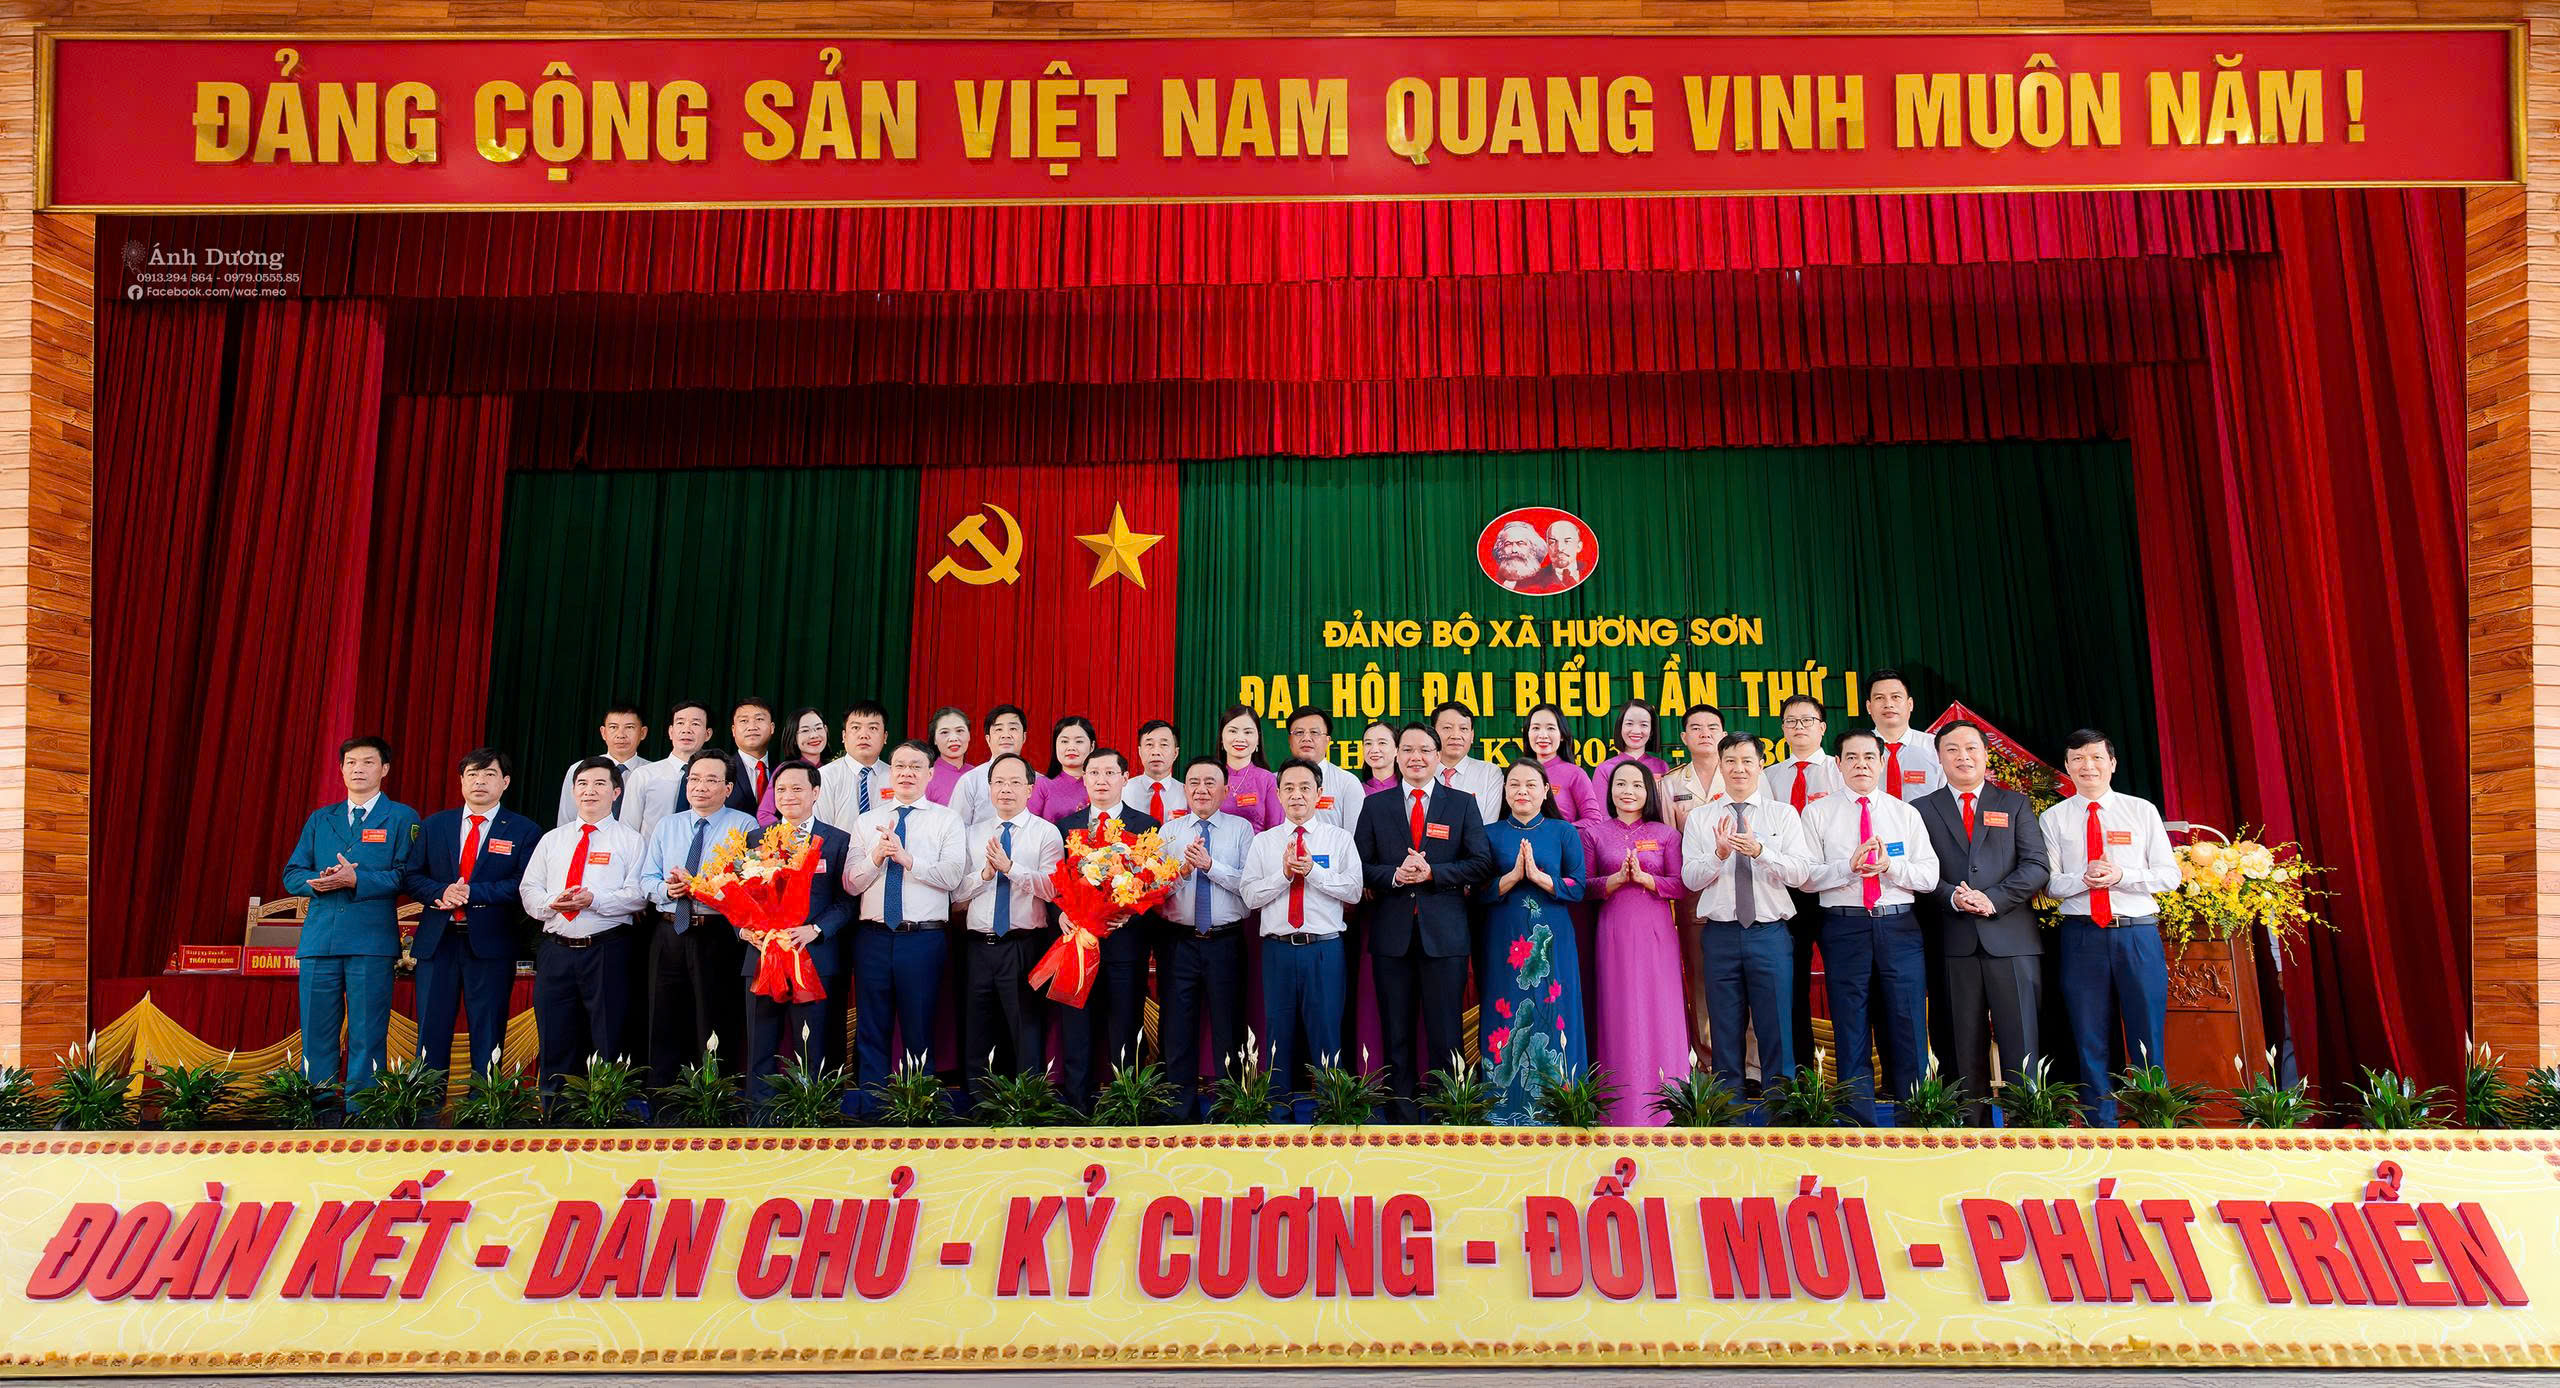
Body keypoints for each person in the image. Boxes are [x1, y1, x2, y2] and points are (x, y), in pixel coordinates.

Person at [1800, 730, 1942, 1123]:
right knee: (1851, 1023)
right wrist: (1848, 867)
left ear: (1881, 762)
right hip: (1844, 927)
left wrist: (1890, 867)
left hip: (1899, 926)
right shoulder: (1817, 813)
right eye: (1851, 757)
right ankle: (1856, 1121)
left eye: (1868, 757)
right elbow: (1806, 878)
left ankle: (1916, 1119)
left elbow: (1929, 876)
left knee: (1907, 1021)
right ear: (1838, 764)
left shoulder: (1904, 813)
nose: (1861, 764)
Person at [2039, 728, 2178, 1127]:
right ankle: (2100, 1123)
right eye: (2078, 759)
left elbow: (2169, 875)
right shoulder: (2053, 818)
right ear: (2067, 767)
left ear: (2112, 764)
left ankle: (2154, 1120)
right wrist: (2083, 879)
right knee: (2089, 1034)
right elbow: (2050, 884)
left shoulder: (2141, 810)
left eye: (2097, 757)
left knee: (2147, 1032)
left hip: (2136, 933)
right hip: (2081, 935)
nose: (2088, 766)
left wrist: (2122, 876)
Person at [1914, 720, 2051, 1124]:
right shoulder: (1921, 809)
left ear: (1986, 754)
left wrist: (1993, 899)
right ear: (1939, 758)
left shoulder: (2014, 804)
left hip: (2011, 940)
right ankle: (1968, 1135)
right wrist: (1951, 896)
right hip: (1952, 941)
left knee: (2022, 1044)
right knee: (1960, 1047)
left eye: (1971, 748)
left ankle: (2028, 1131)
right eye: (1952, 750)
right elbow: (1917, 873)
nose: (1963, 757)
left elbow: (2036, 866)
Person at [1355, 723, 1492, 1121]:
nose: (1416, 758)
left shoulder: (1461, 804)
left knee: (1445, 1032)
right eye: (1408, 750)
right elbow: (1360, 866)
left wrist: (1435, 873)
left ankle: (1448, 1115)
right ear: (1397, 756)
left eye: (1425, 751)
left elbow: (1481, 862)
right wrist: (1395, 876)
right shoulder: (1376, 806)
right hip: (1392, 936)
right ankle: (1401, 1119)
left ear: (1437, 756)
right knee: (1396, 1033)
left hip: (1444, 937)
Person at [281, 735, 420, 1092]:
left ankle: (363, 1109)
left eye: (368, 762)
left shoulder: (402, 817)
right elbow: (292, 874)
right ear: (341, 770)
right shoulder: (320, 818)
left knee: (368, 1033)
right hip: (319, 941)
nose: (358, 769)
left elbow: (407, 875)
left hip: (371, 942)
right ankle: (317, 1106)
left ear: (384, 769)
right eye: (351, 762)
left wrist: (357, 879)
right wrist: (319, 881)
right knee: (316, 1032)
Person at [1680, 732, 1814, 1100]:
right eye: (1731, 762)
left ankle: (1781, 1108)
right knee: (1724, 1028)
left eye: (1747, 761)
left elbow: (1801, 873)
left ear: (1760, 765)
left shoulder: (1782, 814)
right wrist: (1719, 855)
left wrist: (1760, 851)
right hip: (1720, 934)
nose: (1739, 769)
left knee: (1776, 1027)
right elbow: (1689, 878)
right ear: (1720, 766)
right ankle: (1730, 1110)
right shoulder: (1701, 818)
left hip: (1770, 934)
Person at [845, 741, 968, 1115]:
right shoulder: (867, 822)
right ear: (890, 772)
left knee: (919, 1026)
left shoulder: (946, 820)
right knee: (871, 1027)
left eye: (916, 766)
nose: (906, 773)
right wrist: (876, 857)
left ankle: (918, 1108)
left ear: (930, 773)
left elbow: (952, 877)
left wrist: (906, 858)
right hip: (873, 937)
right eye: (899, 765)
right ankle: (871, 1109)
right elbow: (850, 883)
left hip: (923, 938)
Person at [403, 748, 539, 1085]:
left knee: (488, 1030)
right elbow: (411, 876)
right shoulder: (435, 825)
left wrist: (471, 893)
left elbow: (523, 884)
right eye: (472, 774)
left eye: (489, 774)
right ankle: (427, 1103)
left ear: (505, 782)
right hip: (439, 942)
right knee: (431, 1029)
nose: (480, 781)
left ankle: (484, 1105)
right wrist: (441, 891)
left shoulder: (524, 830)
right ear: (461, 781)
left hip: (491, 944)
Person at [1243, 758, 1363, 1121]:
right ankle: (1277, 1117)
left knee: (1326, 1031)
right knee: (1278, 1034)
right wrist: (1283, 876)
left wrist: (1314, 872)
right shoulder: (1264, 842)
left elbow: (1354, 891)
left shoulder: (1338, 839)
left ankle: (1332, 1114)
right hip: (1278, 949)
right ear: (1278, 795)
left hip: (1324, 948)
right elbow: (1249, 896)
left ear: (1319, 794)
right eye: (1289, 788)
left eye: (1305, 788)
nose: (1297, 795)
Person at [519, 757, 648, 1097]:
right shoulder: (552, 839)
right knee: (555, 1035)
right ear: (573, 791)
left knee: (609, 1035)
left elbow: (638, 896)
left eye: (600, 784)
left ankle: (605, 1110)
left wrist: (594, 900)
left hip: (607, 949)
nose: (590, 791)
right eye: (583, 784)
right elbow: (529, 889)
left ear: (616, 792)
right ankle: (554, 1111)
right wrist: (552, 903)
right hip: (556, 950)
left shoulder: (631, 840)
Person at [638, 749, 760, 1084]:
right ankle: (664, 1099)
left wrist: (703, 887)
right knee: (664, 1018)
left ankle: (713, 1098)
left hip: (717, 934)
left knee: (715, 1018)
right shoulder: (668, 825)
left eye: (711, 780)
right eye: (694, 779)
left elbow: (749, 883)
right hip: (668, 933)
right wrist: (668, 890)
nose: (700, 787)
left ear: (728, 788)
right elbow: (646, 879)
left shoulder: (744, 825)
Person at [1477, 759, 1588, 1125]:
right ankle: (1501, 1111)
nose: (1522, 791)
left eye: (1530, 784)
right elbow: (1475, 890)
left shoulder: (1562, 831)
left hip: (1552, 938)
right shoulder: (1489, 834)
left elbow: (1579, 886)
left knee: (1554, 1010)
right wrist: (1511, 877)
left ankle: (1561, 1110)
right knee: (1504, 1011)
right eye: (1514, 785)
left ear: (1545, 792)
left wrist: (1540, 878)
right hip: (1504, 937)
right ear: (1505, 792)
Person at [741, 760, 858, 1102]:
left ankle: (812, 1114)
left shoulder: (836, 841)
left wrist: (815, 929)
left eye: (797, 788)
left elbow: (847, 901)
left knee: (814, 1046)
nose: (788, 796)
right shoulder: (754, 839)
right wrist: (744, 931)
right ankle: (760, 1117)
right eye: (781, 789)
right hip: (762, 958)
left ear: (815, 792)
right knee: (760, 1045)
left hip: (814, 958)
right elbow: (737, 893)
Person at [1048, 747, 1156, 1109]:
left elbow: (1156, 884)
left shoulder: (1146, 826)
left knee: (1125, 1028)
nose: (1102, 780)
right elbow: (1054, 885)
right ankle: (1076, 1106)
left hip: (1126, 946)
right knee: (1077, 1028)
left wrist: (1132, 912)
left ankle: (1126, 1106)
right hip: (1079, 945)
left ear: (1125, 778)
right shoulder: (1066, 827)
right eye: (1094, 773)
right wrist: (1059, 914)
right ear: (1084, 779)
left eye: (1110, 773)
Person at [952, 753, 1062, 1102]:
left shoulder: (1045, 833)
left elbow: (1052, 889)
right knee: (977, 1028)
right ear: (989, 788)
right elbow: (955, 895)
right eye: (998, 782)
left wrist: (1010, 868)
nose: (1006, 789)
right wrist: (985, 874)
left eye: (1015, 782)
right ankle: (979, 1105)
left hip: (1024, 944)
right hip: (978, 946)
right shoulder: (972, 834)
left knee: (1025, 1028)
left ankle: (1026, 1104)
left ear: (1030, 789)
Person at [1581, 759, 1684, 1123]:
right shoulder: (1594, 834)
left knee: (1660, 1009)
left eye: (1637, 785)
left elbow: (1681, 884)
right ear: (1609, 791)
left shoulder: (1666, 834)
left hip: (1656, 932)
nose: (1628, 791)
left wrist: (1645, 879)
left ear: (1648, 792)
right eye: (1621, 784)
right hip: (1614, 931)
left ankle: (1667, 1109)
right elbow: (1584, 886)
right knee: (1618, 1010)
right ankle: (1618, 1109)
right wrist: (1613, 881)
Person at [1156, 755, 1254, 1120]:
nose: (1201, 789)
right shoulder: (1169, 833)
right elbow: (1155, 890)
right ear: (1184, 789)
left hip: (1225, 941)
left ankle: (1230, 1108)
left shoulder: (1241, 829)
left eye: (1210, 782)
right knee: (1177, 1027)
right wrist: (1183, 871)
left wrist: (1211, 866)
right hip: (1177, 941)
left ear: (1225, 790)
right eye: (1194, 782)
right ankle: (1177, 1111)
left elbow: (1249, 885)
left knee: (1228, 1026)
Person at [1763, 694, 1843, 1074]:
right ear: (1782, 729)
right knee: (1792, 982)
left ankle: (1852, 1073)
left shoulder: (1839, 770)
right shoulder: (1769, 776)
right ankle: (1801, 1073)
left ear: (1822, 727)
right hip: (1786, 890)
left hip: (1835, 888)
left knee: (1843, 980)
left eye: (1807, 720)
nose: (1799, 727)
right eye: (1791, 721)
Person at [621, 700, 714, 841]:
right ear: (671, 732)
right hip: (650, 854)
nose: (686, 730)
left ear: (708, 734)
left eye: (695, 724)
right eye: (680, 723)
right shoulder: (644, 775)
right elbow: (628, 830)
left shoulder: (716, 779)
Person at [555, 703, 650, 826]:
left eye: (629, 727)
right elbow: (566, 821)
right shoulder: (580, 769)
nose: (621, 735)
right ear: (603, 732)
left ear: (642, 733)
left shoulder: (652, 773)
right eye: (613, 727)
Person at [950, 704, 1038, 830]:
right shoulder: (970, 780)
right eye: (999, 729)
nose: (1006, 735)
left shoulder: (1040, 781)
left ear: (1024, 737)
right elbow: (955, 830)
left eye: (1013, 728)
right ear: (988, 739)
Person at [1866, 669, 1944, 802]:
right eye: (1879, 698)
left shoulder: (1935, 746)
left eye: (1896, 697)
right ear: (1869, 707)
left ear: (1910, 704)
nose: (1888, 704)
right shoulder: (1856, 748)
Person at [1285, 708, 1366, 833]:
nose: (1306, 738)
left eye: (1314, 732)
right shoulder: (1274, 781)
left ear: (1328, 740)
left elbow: (1355, 836)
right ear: (1290, 740)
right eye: (1299, 732)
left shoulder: (1347, 783)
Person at [817, 700, 891, 830]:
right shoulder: (825, 776)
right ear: (844, 736)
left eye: (873, 728)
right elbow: (821, 829)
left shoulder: (895, 776)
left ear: (885, 737)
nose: (864, 735)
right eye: (856, 728)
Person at [1520, 703, 1599, 824]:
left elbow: (1594, 820)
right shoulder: (1518, 773)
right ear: (1527, 734)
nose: (1543, 735)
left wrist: (1561, 831)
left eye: (1550, 728)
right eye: (1536, 728)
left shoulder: (1575, 774)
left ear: (1562, 735)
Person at [1658, 705, 1730, 836]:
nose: (1705, 734)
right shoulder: (1670, 782)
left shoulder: (1741, 775)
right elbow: (1669, 836)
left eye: (1712, 728)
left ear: (1724, 736)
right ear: (1684, 737)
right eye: (1696, 728)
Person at [1428, 701, 1504, 824]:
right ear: (1433, 733)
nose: (1455, 735)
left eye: (1463, 729)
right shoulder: (1420, 772)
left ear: (1472, 735)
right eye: (1447, 728)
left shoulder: (1489, 773)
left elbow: (1488, 825)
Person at [758, 707, 831, 826]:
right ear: (794, 737)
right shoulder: (785, 770)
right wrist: (789, 833)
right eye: (805, 730)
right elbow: (764, 814)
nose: (814, 735)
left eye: (818, 728)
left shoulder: (834, 768)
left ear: (826, 730)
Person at [1215, 704, 1281, 832]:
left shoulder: (1267, 780)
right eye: (1233, 731)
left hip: (1257, 845)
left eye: (1248, 732)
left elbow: (1276, 831)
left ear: (1258, 739)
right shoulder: (1210, 777)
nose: (1240, 738)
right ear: (1222, 737)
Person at [1591, 699, 1670, 805]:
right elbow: (1601, 812)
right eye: (1629, 723)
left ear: (1651, 731)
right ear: (1620, 727)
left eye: (1644, 725)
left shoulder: (1662, 766)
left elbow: (1667, 808)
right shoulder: (1604, 769)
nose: (1636, 731)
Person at [1026, 714, 1097, 822]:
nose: (1071, 747)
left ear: (1092, 746)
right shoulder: (1043, 785)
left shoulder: (1101, 784)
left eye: (1079, 741)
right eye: (1064, 741)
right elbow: (1028, 826)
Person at [726, 697, 780, 816]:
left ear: (772, 728)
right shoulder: (722, 770)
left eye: (759, 719)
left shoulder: (783, 769)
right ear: (733, 730)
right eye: (744, 720)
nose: (752, 727)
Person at [1128, 719, 1184, 827]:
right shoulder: (1123, 791)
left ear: (1175, 753)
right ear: (1140, 751)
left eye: (1164, 744)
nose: (1156, 752)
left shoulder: (1187, 794)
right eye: (1149, 744)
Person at [1488, 520, 1568, 594]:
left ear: (1533, 548)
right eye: (1508, 544)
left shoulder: (1547, 580)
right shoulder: (1496, 580)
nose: (1514, 550)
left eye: (1520, 543)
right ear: (1501, 550)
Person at [924, 705, 973, 806]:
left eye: (959, 731)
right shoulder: (925, 776)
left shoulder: (978, 774)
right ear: (934, 739)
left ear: (969, 735)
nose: (953, 738)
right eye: (944, 732)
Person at [1358, 719, 1398, 795]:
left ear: (1397, 749)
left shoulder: (1409, 788)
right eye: (1368, 743)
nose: (1374, 750)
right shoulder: (1357, 790)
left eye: (1382, 743)